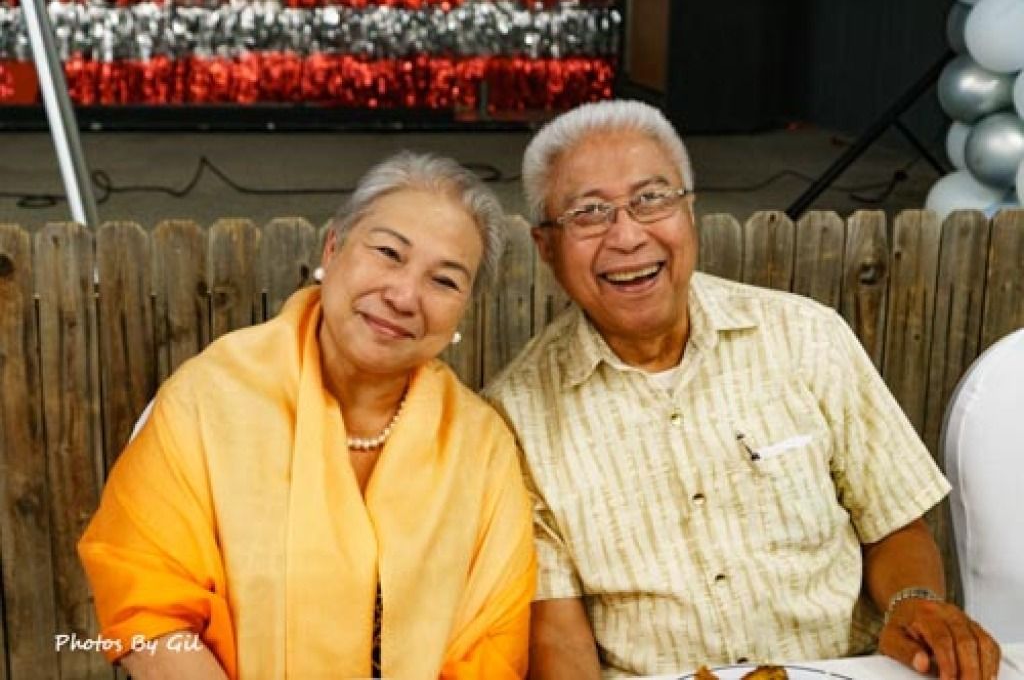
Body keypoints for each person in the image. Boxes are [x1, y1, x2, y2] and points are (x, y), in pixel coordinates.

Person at [483, 100, 1001, 679]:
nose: (627, 235)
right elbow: (557, 632)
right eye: (589, 213)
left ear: (690, 212)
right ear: (546, 248)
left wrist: (914, 604)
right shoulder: (516, 416)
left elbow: (894, 524)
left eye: (652, 199)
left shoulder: (805, 335)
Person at [79, 152, 536, 680]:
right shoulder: (207, 400)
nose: (405, 295)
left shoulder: (482, 449)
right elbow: (150, 612)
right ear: (333, 247)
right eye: (389, 252)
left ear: (464, 310)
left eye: (445, 281)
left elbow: (493, 649)